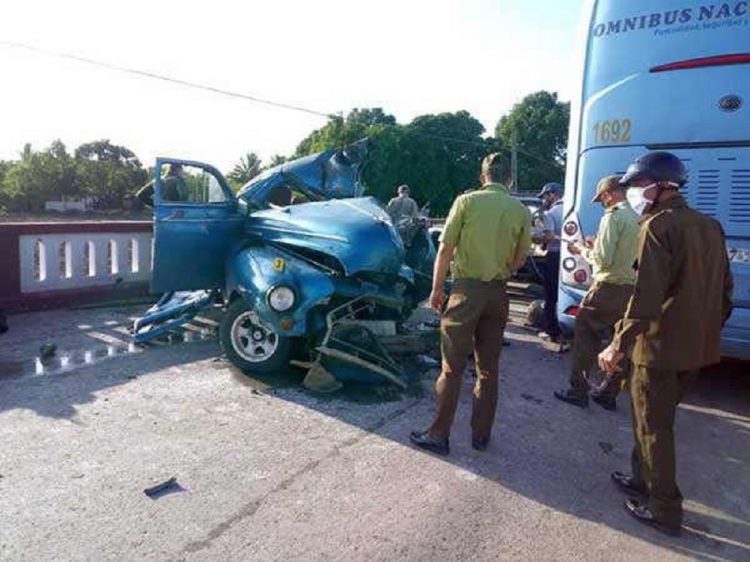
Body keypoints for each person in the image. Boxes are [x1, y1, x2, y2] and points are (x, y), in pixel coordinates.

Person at [598, 152, 734, 536]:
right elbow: (725, 293)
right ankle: (642, 481)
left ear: (661, 187)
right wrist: (704, 332)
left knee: (654, 426)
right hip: (694, 350)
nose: (634, 193)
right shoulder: (709, 226)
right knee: (652, 420)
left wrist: (617, 344)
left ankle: (664, 509)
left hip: (658, 349)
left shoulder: (657, 226)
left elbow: (645, 296)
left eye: (639, 185)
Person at [410, 153, 531, 455]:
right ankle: (481, 436)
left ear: (483, 176)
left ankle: (439, 435)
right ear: (510, 180)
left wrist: (437, 289)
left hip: (466, 292)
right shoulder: (520, 210)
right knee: (488, 369)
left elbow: (445, 249)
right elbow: (520, 260)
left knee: (452, 368)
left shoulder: (466, 202)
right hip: (499, 293)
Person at [554, 175, 639, 411]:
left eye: (602, 199)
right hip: (630, 290)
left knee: (585, 334)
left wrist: (581, 248)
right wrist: (596, 244)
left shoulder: (613, 217)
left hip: (607, 288)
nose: (602, 203)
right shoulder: (637, 218)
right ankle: (609, 393)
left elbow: (603, 261)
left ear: (608, 194)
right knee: (620, 342)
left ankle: (577, 390)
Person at [535, 182, 564, 344]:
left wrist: (538, 235)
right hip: (572, 257)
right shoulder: (574, 209)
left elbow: (548, 237)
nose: (543, 200)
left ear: (552, 195)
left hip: (553, 256)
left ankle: (552, 331)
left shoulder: (550, 213)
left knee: (550, 296)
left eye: (545, 196)